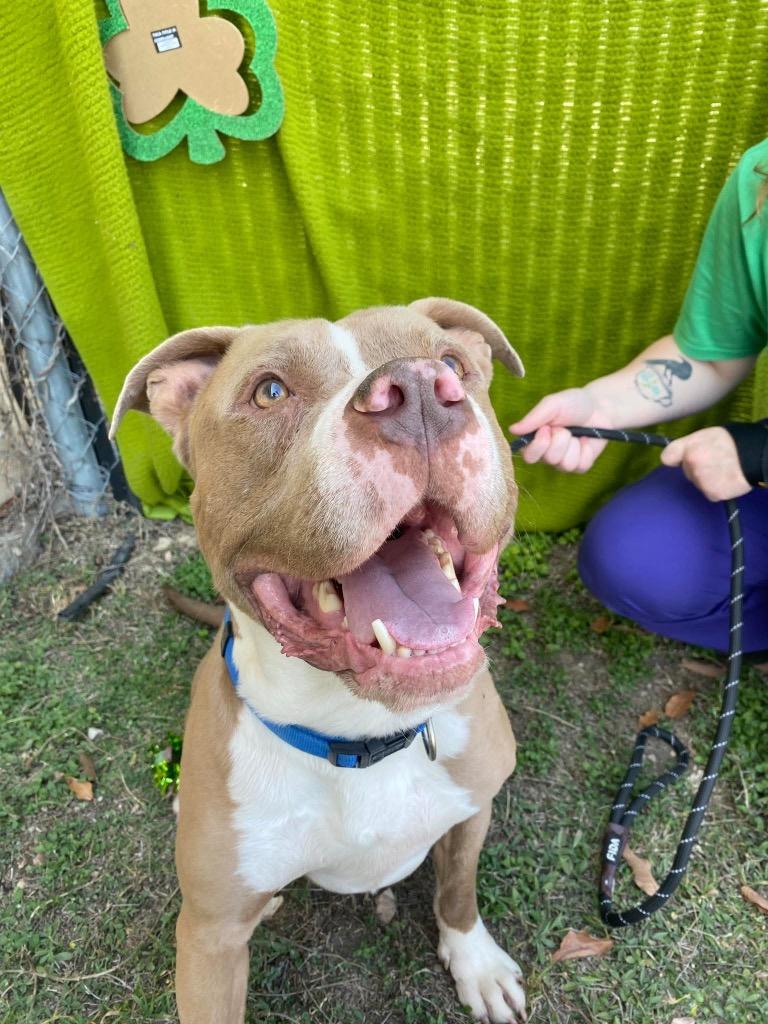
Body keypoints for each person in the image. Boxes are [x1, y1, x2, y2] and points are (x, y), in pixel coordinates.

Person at [510, 138, 768, 654]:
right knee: (636, 556)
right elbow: (713, 355)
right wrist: (602, 405)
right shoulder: (761, 179)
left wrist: (759, 452)